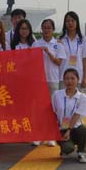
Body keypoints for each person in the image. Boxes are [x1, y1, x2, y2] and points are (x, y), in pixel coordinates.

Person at [31, 18, 66, 147]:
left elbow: (59, 62)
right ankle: (38, 136)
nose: (46, 30)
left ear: (53, 30)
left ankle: (50, 136)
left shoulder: (58, 45)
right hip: (39, 80)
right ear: (41, 29)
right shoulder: (36, 44)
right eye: (44, 28)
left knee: (52, 109)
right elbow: (30, 61)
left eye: (49, 28)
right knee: (39, 109)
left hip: (53, 79)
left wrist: (48, 52)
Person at [52, 68, 86, 163]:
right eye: (67, 78)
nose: (69, 81)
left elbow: (76, 115)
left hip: (75, 127)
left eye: (72, 78)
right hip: (61, 128)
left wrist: (69, 130)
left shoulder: (82, 97)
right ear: (63, 80)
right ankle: (65, 148)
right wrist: (54, 129)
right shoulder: (57, 95)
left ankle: (81, 152)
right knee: (68, 149)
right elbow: (53, 112)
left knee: (84, 129)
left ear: (78, 80)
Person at [58, 11, 86, 89]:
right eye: (67, 21)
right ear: (65, 23)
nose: (70, 23)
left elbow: (85, 60)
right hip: (63, 77)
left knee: (77, 97)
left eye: (72, 21)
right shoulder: (60, 39)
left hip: (78, 77)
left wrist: (85, 78)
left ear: (77, 23)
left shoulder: (83, 39)